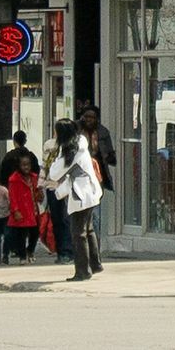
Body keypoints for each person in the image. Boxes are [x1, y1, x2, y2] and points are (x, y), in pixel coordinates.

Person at [47, 117, 104, 282]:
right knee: (89, 229)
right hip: (91, 191)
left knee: (78, 233)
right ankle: (95, 264)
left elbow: (55, 173)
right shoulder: (81, 143)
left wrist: (56, 153)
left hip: (81, 194)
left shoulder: (69, 153)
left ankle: (82, 271)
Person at [77, 104, 117, 230]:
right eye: (86, 116)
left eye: (92, 117)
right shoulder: (75, 130)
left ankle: (94, 234)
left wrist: (106, 157)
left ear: (97, 119)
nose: (89, 120)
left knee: (95, 206)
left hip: (97, 174)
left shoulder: (103, 132)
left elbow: (111, 155)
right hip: (79, 174)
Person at [39, 132, 74, 265]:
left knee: (65, 220)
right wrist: (40, 184)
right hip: (52, 187)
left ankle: (67, 252)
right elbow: (45, 165)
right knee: (57, 220)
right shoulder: (50, 145)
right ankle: (61, 251)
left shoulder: (72, 146)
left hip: (66, 187)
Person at [6, 158, 42, 262]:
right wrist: (16, 211)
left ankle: (30, 250)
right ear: (19, 166)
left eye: (28, 164)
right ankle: (22, 256)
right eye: (23, 165)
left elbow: (37, 192)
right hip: (21, 210)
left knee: (35, 233)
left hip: (33, 210)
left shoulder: (34, 177)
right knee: (21, 235)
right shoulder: (14, 179)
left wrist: (39, 195)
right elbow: (12, 196)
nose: (26, 167)